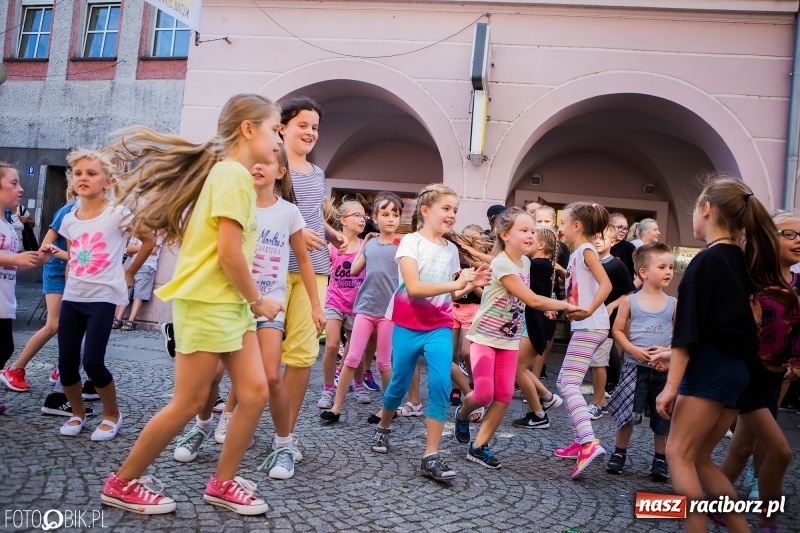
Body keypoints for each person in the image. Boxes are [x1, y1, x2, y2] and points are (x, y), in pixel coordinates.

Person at [101, 94, 285, 515]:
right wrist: (259, 301)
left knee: (255, 392)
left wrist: (248, 302)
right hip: (208, 302)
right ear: (248, 129)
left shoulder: (230, 174)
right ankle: (122, 482)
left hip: (228, 304)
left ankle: (222, 483)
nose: (277, 140)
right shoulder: (232, 176)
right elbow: (228, 252)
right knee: (188, 401)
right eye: (275, 129)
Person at [655, 177, 795, 532]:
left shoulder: (706, 262)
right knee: (701, 458)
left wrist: (671, 386)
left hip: (711, 372)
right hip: (738, 375)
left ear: (707, 209)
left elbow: (688, 335)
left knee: (679, 454)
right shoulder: (742, 262)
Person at [370, 183, 491, 482]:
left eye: (455, 210)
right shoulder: (410, 242)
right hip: (407, 325)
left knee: (438, 383)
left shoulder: (450, 249)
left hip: (438, 325)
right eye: (446, 208)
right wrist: (457, 284)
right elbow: (415, 287)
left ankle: (431, 455)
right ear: (426, 211)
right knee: (398, 385)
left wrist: (472, 282)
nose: (452, 215)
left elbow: (448, 296)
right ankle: (384, 427)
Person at [454, 208, 581, 468]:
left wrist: (548, 305)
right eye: (524, 230)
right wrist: (564, 306)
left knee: (503, 396)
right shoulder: (502, 263)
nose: (530, 235)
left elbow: (535, 295)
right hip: (485, 338)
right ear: (505, 235)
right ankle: (462, 413)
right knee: (483, 394)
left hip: (509, 340)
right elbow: (531, 298)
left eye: (532, 231)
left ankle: (479, 447)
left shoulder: (526, 263)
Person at [50, 148, 155, 443]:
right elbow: (75, 255)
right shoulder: (70, 218)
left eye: (91, 173)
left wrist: (130, 271)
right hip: (73, 297)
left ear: (107, 182)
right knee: (67, 363)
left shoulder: (118, 213)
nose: (83, 178)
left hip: (103, 297)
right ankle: (78, 413)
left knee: (94, 361)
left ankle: (112, 415)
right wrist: (71, 271)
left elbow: (148, 239)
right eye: (79, 173)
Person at [717, 209, 799, 533]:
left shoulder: (797, 283)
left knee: (744, 446)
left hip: (778, 375)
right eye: (788, 234)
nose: (797, 241)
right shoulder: (751, 278)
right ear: (768, 237)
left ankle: (715, 502)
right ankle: (768, 523)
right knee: (779, 450)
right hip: (748, 373)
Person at [279, 97, 347, 459]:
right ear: (283, 127)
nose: (309, 132)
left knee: (302, 355)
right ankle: (230, 415)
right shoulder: (271, 166)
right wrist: (296, 231)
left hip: (314, 269)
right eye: (302, 124)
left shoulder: (317, 174)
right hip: (273, 266)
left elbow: (307, 214)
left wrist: (328, 230)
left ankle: (285, 435)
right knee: (258, 352)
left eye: (314, 127)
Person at [321, 193, 404, 423]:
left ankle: (390, 407)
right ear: (375, 218)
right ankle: (336, 407)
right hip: (365, 309)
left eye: (395, 215)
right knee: (351, 358)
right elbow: (354, 270)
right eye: (385, 214)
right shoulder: (370, 245)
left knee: (384, 362)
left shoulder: (403, 245)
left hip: (389, 312)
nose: (391, 219)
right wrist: (364, 245)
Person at [606, 242, 675, 480]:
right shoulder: (630, 301)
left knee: (662, 417)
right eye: (662, 266)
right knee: (628, 414)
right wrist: (632, 350)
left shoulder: (674, 303)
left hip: (663, 370)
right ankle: (619, 453)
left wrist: (666, 351)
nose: (669, 271)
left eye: (671, 267)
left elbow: (681, 338)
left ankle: (660, 458)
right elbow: (617, 331)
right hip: (635, 368)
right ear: (643, 272)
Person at [553, 201, 612, 479]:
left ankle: (588, 443)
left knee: (567, 383)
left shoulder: (587, 250)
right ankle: (580, 441)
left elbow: (606, 284)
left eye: (563, 222)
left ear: (577, 226)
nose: (560, 227)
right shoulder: (578, 254)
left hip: (592, 325)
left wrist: (588, 310)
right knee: (566, 381)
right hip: (587, 326)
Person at [2, 190, 76, 393]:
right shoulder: (69, 210)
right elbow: (46, 246)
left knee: (75, 325)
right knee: (54, 324)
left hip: (77, 273)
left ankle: (62, 370)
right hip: (56, 271)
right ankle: (15, 369)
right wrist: (79, 257)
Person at [0, 161, 52, 413]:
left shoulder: (9, 227)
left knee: (6, 347)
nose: (20, 189)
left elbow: (13, 265)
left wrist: (34, 260)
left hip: (5, 301)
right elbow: (9, 259)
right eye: (13, 183)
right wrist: (13, 258)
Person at [512, 226, 565, 429]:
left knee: (517, 368)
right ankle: (547, 396)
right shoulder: (540, 264)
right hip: (535, 321)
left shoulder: (537, 264)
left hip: (536, 322)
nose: (527, 239)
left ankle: (539, 414)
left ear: (541, 245)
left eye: (531, 237)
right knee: (519, 367)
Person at [318, 199, 367, 408]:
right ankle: (328, 389)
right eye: (357, 215)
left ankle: (358, 384)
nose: (362, 219)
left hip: (357, 305)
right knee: (331, 345)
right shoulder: (331, 247)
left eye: (364, 216)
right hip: (334, 302)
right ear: (343, 220)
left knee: (356, 348)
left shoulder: (367, 246)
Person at [587, 225, 635, 419]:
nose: (598, 240)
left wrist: (612, 306)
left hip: (605, 321)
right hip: (588, 318)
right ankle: (599, 397)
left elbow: (629, 292)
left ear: (613, 242)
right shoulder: (588, 262)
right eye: (595, 237)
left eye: (603, 238)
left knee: (599, 362)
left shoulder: (616, 265)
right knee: (593, 361)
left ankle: (599, 402)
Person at [112, 235, 163, 331]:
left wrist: (138, 248)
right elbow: (130, 249)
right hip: (132, 264)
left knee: (139, 294)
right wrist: (146, 246)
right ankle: (118, 319)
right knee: (126, 291)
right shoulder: (138, 232)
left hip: (147, 265)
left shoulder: (159, 232)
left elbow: (153, 251)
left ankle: (131, 321)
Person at [609, 213, 635, 278]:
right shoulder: (601, 246)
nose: (624, 231)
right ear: (609, 227)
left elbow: (642, 271)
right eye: (620, 227)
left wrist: (630, 287)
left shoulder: (629, 247)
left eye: (625, 228)